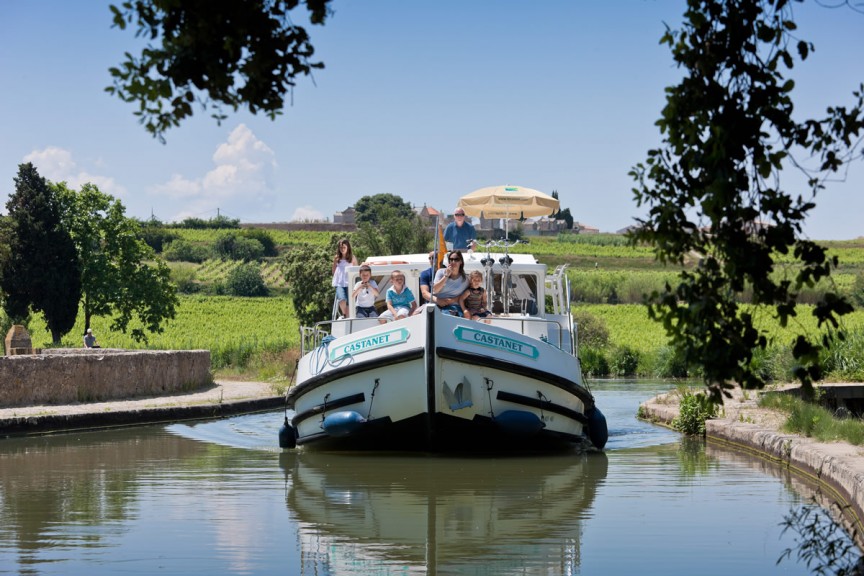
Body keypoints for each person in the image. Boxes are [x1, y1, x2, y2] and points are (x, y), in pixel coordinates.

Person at [432, 251, 469, 316]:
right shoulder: (441, 272)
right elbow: (435, 290)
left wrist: (453, 300)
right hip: (437, 305)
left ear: (461, 262)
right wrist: (446, 276)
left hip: (454, 307)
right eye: (451, 259)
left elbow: (466, 295)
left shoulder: (465, 279)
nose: (453, 262)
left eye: (456, 259)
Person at [331, 238, 358, 318]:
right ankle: (345, 314)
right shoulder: (336, 258)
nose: (342, 249)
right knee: (342, 299)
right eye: (341, 247)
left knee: (350, 301)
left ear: (348, 247)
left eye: (344, 247)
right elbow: (333, 270)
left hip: (349, 282)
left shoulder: (352, 258)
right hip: (339, 282)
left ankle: (348, 316)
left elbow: (356, 270)